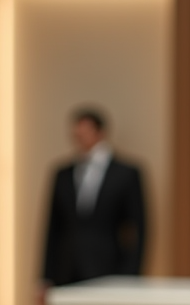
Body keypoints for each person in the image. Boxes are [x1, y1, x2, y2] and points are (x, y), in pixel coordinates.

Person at [41, 108, 146, 289]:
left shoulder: (125, 173)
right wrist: (45, 276)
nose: (80, 137)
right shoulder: (63, 174)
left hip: (109, 267)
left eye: (85, 131)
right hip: (66, 270)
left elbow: (139, 227)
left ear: (100, 133)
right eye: (76, 133)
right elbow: (53, 227)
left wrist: (131, 274)